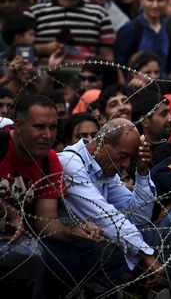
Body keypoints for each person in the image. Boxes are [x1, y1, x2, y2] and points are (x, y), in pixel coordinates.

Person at [1, 95, 102, 298]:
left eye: (53, 128)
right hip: (11, 235)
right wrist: (8, 212)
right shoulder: (1, 147)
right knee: (30, 257)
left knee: (72, 259)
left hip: (15, 234)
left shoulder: (49, 161)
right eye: (39, 127)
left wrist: (75, 231)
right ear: (18, 126)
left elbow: (46, 220)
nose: (47, 135)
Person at [52, 119, 164, 291]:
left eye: (130, 158)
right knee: (115, 245)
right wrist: (146, 255)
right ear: (103, 143)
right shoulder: (70, 164)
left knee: (146, 233)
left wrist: (142, 172)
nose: (126, 165)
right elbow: (103, 216)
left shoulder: (105, 171)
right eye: (123, 156)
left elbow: (138, 216)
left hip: (88, 247)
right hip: (64, 247)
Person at [116, 0, 171, 77]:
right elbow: (119, 66)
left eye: (160, 0)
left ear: (166, 0)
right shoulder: (130, 29)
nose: (155, 5)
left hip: (162, 88)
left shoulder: (169, 30)